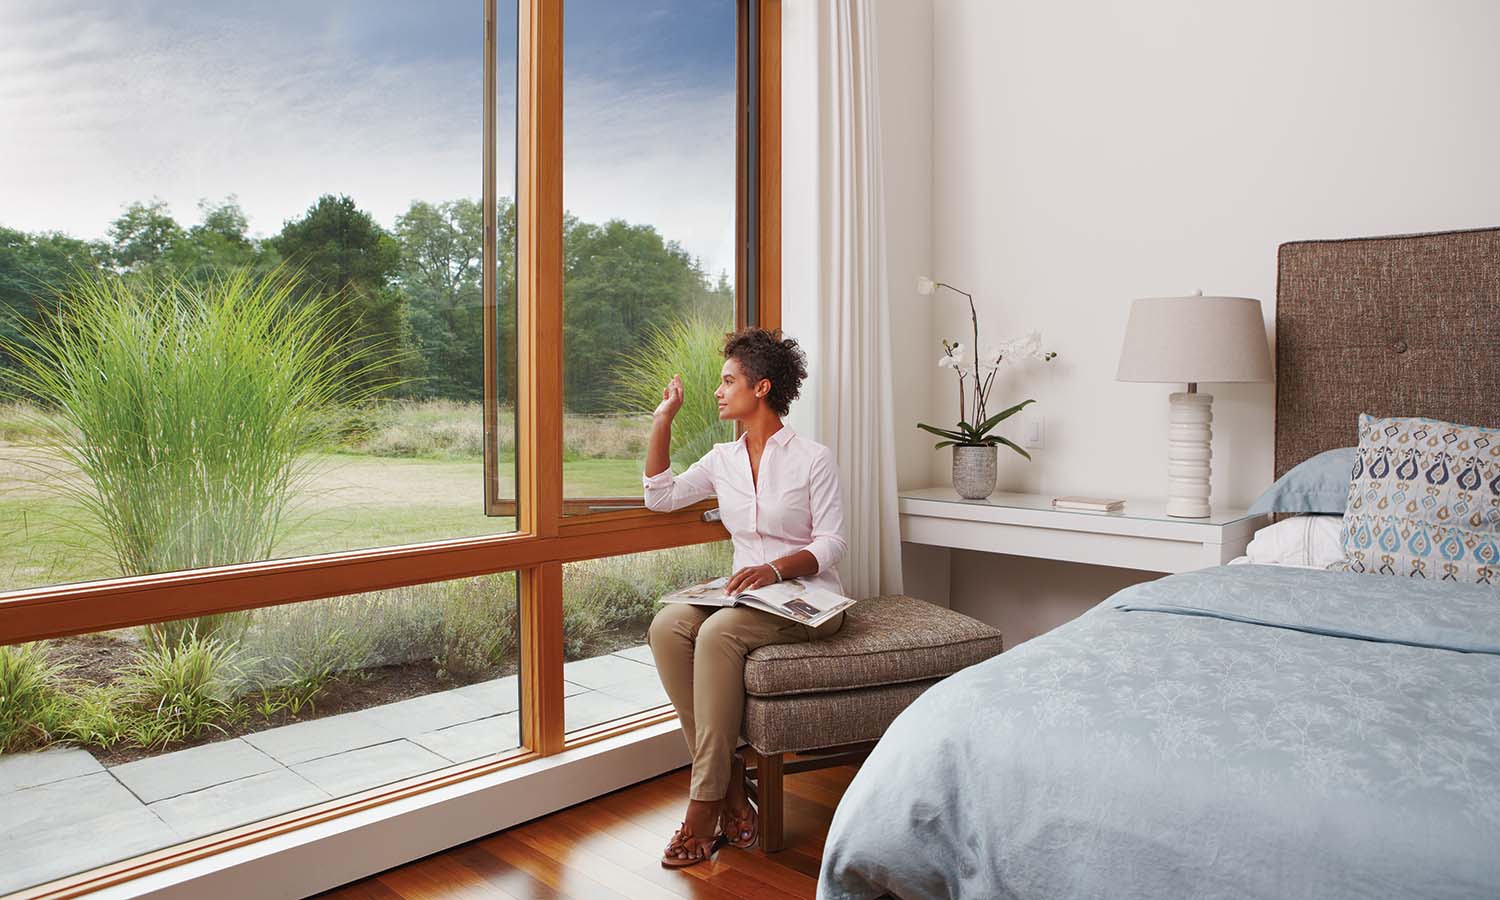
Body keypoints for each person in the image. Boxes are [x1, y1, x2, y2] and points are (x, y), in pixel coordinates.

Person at [642, 327, 848, 868]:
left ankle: (702, 806)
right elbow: (659, 497)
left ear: (761, 388)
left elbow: (832, 542)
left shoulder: (813, 458)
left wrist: (775, 567)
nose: (718, 390)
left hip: (807, 598)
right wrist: (662, 419)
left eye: (728, 380)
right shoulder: (720, 460)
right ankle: (731, 788)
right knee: (666, 626)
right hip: (745, 596)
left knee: (716, 633)